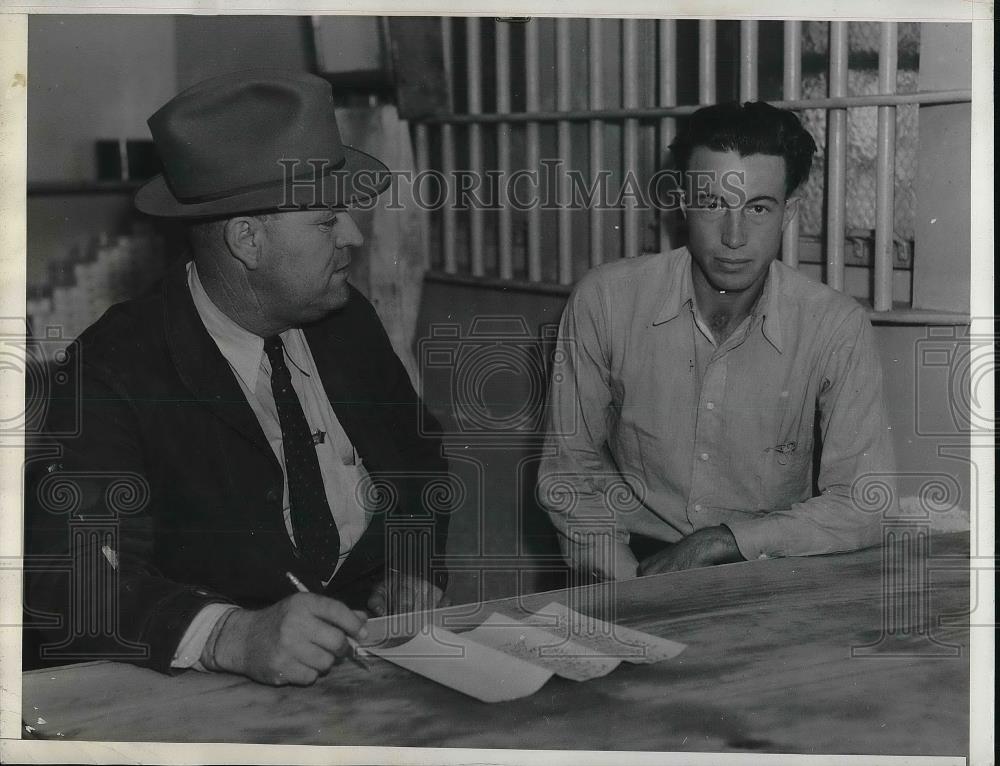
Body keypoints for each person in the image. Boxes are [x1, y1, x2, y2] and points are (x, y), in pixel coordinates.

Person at [25, 70, 450, 686]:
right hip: (206, 686)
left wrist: (410, 566)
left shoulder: (344, 318)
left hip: (365, 660)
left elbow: (417, 457)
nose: (353, 238)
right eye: (328, 222)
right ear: (247, 240)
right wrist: (229, 635)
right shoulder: (116, 365)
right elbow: (67, 575)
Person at [538, 101, 895, 581]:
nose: (734, 237)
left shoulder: (835, 326)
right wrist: (634, 585)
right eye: (712, 203)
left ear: (788, 213)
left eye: (758, 208)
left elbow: (864, 503)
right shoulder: (605, 300)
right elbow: (569, 468)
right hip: (625, 562)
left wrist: (723, 541)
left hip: (766, 565)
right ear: (684, 201)